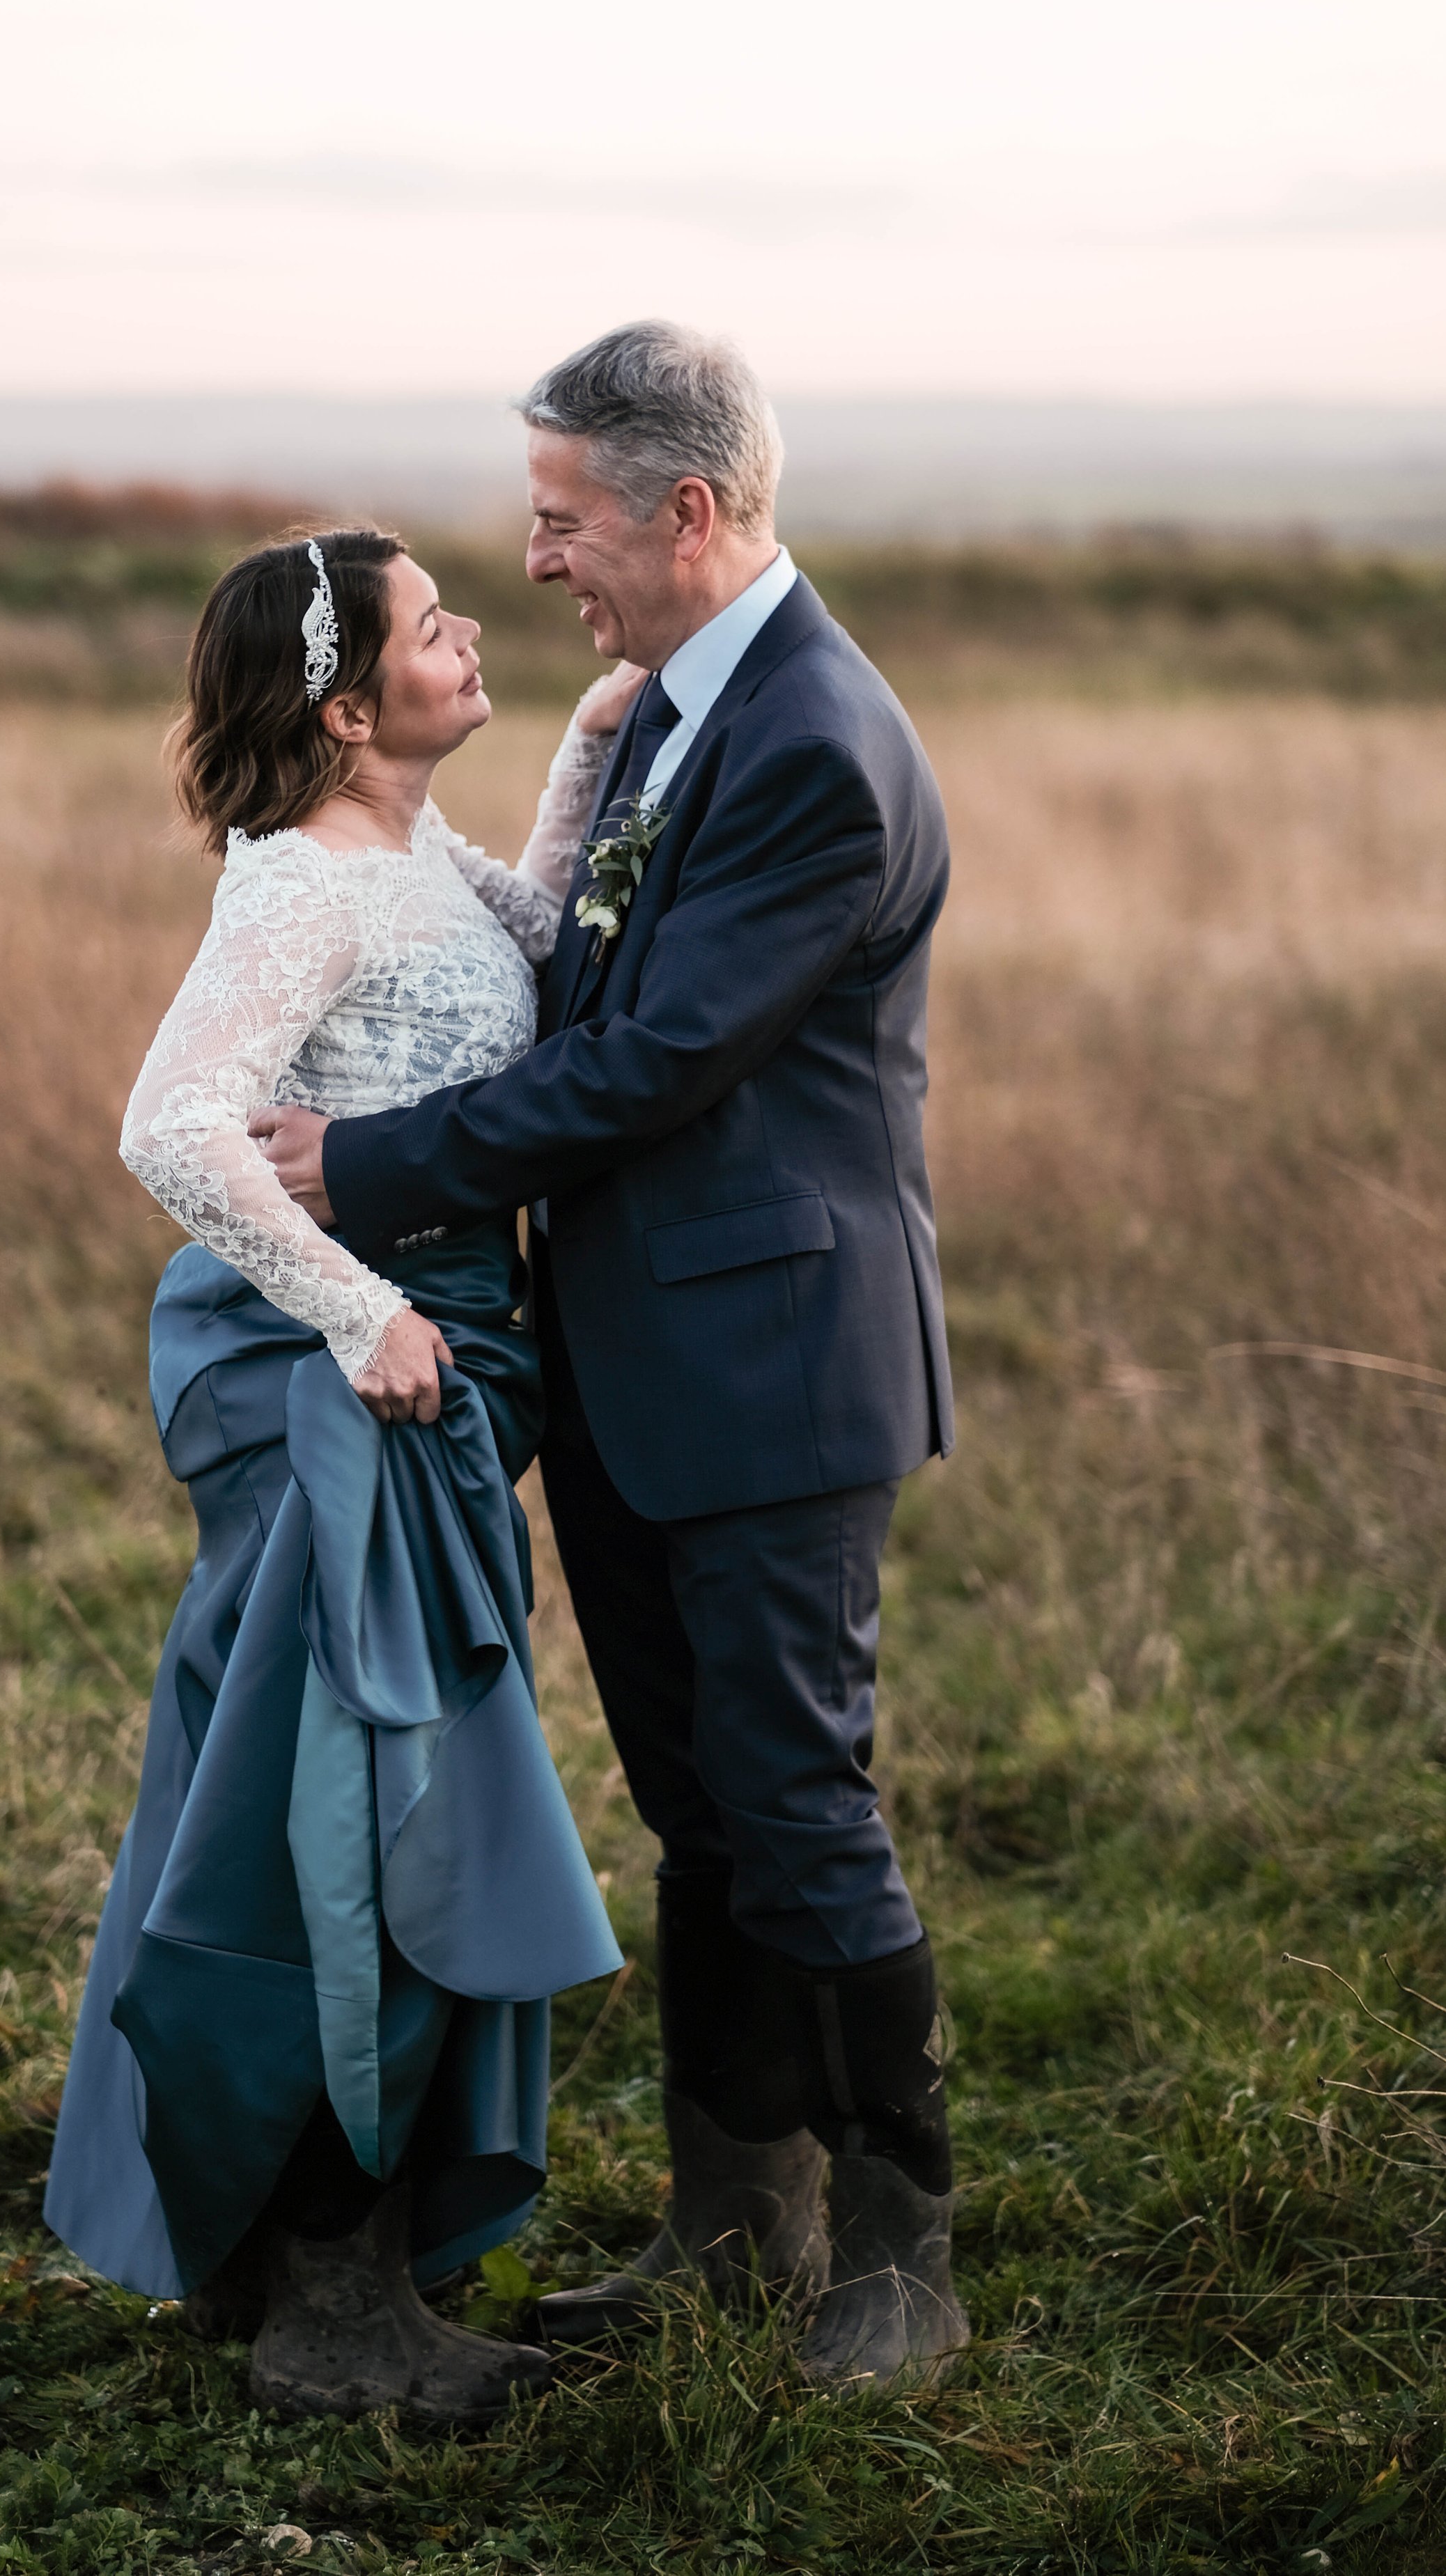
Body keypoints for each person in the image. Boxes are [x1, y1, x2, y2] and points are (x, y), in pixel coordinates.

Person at [248, 322, 969, 2392]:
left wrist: (367, 1161)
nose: (540, 558)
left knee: (798, 1803)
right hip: (648, 1365)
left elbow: (652, 1061)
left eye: (562, 521)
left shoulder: (812, 741)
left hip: (774, 1366)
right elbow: (573, 962)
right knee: (702, 1812)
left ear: (688, 508)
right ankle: (736, 2224)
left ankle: (901, 2259)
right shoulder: (669, 711)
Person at [43, 526, 630, 2426]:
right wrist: (357, 1307)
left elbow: (534, 940)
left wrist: (588, 752)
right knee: (344, 1813)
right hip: (350, 1394)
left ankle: (323, 2257)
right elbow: (171, 1127)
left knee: (384, 1795)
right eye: (430, 625)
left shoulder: (417, 855)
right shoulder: (299, 886)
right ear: (350, 710)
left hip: (433, 1377)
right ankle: (326, 2304)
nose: (469, 633)